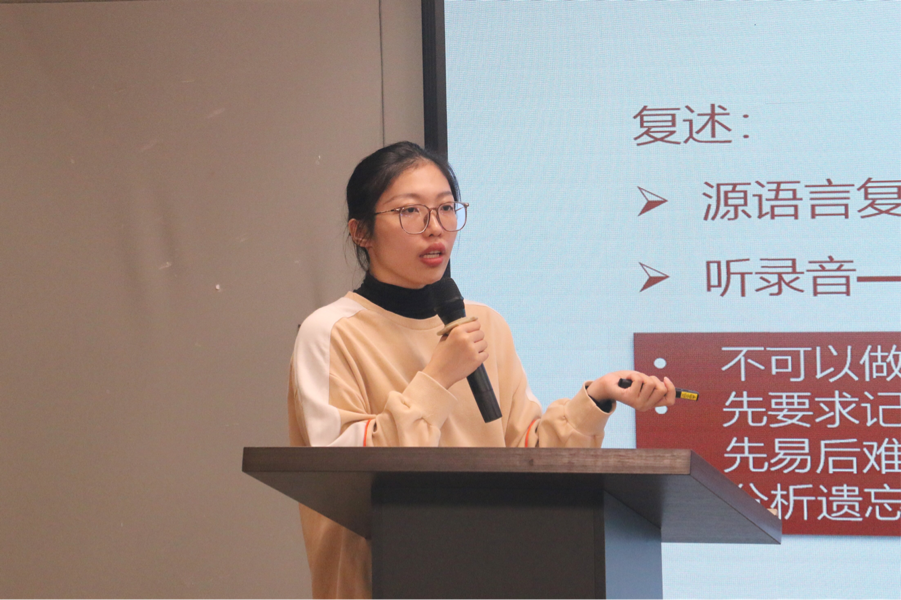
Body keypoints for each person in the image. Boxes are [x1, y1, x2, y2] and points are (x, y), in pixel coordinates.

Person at [288, 141, 676, 600]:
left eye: (446, 208)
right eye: (410, 211)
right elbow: (344, 479)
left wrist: (597, 399)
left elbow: (525, 455)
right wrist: (437, 378)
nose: (436, 228)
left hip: (492, 574)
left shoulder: (484, 323)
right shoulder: (331, 331)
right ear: (361, 232)